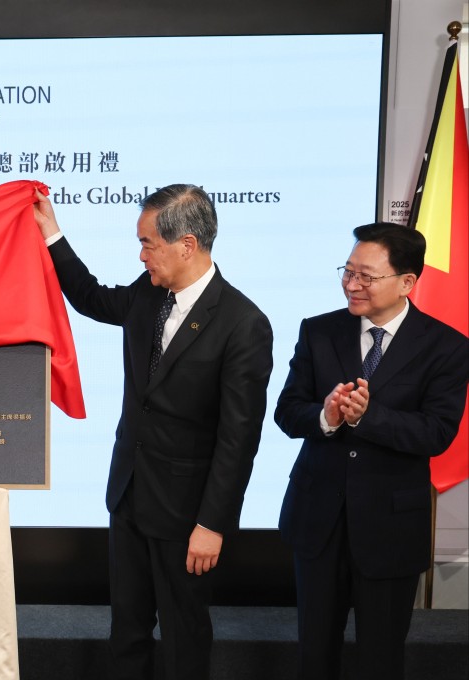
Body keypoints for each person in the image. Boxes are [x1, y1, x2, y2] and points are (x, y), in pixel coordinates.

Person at [33, 184, 273, 680]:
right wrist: (50, 232)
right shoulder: (148, 294)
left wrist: (212, 525)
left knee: (184, 639)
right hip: (130, 498)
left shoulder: (243, 323)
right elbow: (91, 297)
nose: (141, 255)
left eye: (148, 244)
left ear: (186, 245)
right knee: (127, 634)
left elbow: (239, 438)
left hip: (187, 517)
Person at [276, 222, 468, 680]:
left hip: (390, 529)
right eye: (348, 271)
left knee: (381, 660)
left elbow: (437, 433)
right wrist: (326, 416)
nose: (352, 284)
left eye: (366, 275)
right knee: (314, 656)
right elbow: (287, 411)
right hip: (318, 522)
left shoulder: (446, 346)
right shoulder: (319, 331)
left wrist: (368, 417)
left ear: (407, 282)